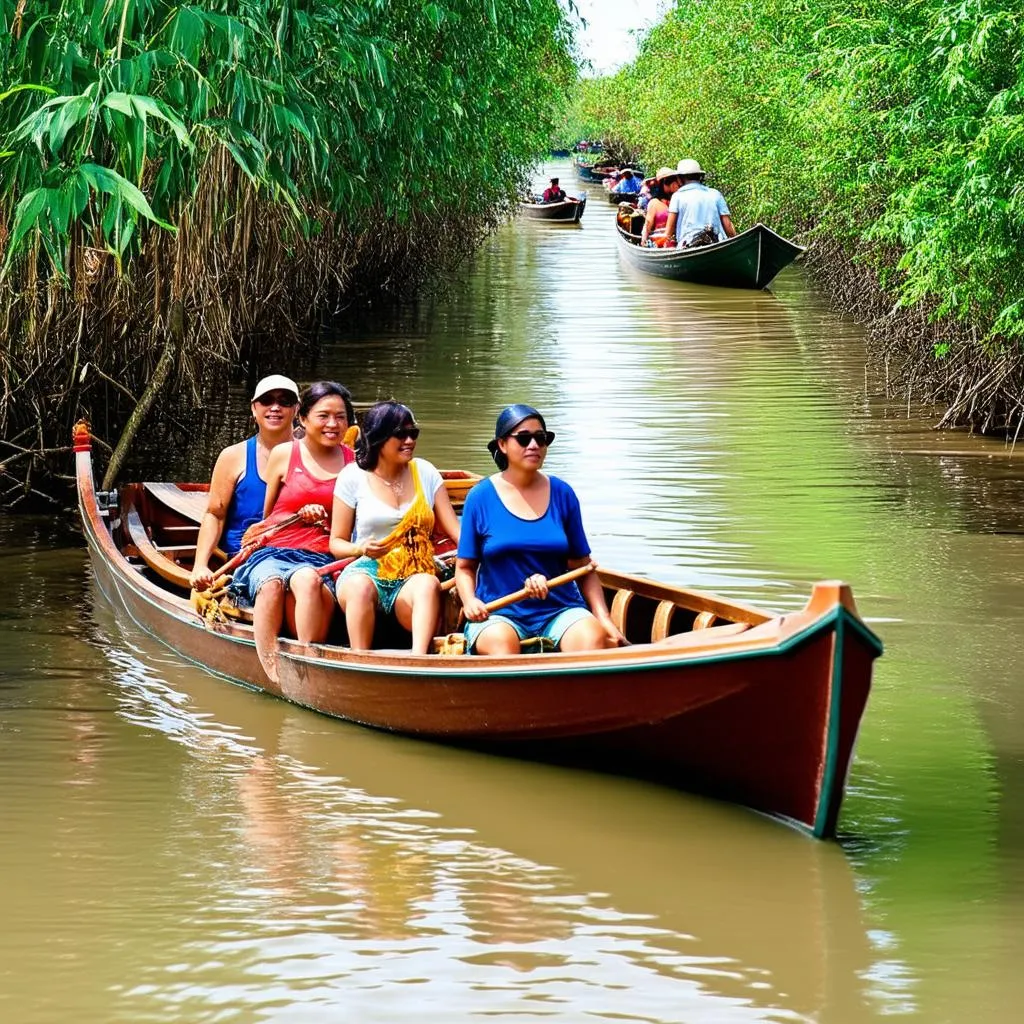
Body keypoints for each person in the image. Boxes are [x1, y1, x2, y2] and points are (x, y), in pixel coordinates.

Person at [455, 405, 626, 656]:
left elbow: (583, 567)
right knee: (501, 645)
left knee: (591, 638)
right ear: (502, 444)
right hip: (500, 613)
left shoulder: (563, 493)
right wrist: (470, 602)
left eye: (541, 438)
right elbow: (464, 568)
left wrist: (604, 619)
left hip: (560, 610)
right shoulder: (479, 497)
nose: (534, 445)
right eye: (524, 438)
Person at [229, 381, 357, 682]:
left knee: (305, 580)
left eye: (340, 417)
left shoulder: (355, 464)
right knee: (272, 584)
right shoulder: (285, 454)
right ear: (303, 419)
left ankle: (306, 663)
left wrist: (323, 521)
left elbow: (354, 526)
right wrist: (298, 513)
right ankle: (271, 668)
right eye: (323, 416)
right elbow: (270, 517)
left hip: (325, 556)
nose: (332, 424)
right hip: (275, 551)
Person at [331, 401, 461, 655]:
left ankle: (419, 661)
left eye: (414, 434)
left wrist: (483, 554)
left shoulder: (425, 471)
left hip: (415, 571)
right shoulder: (352, 476)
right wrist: (361, 548)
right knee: (359, 587)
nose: (410, 440)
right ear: (378, 437)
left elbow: (457, 532)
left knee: (426, 583)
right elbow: (336, 543)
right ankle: (360, 661)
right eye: (401, 434)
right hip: (367, 570)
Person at [189, 374, 299, 591]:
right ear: (254, 408)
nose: (275, 407)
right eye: (267, 401)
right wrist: (200, 565)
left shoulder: (311, 457)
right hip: (242, 558)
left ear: (296, 409)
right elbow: (214, 514)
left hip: (297, 554)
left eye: (284, 401)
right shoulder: (233, 456)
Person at [663, 158, 736, 248]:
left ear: (680, 178)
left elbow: (668, 232)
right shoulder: (715, 193)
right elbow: (728, 225)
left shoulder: (677, 196)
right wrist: (736, 244)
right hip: (718, 243)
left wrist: (665, 246)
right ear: (700, 176)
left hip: (688, 246)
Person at [640, 167, 682, 246]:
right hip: (658, 242)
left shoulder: (680, 201)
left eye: (675, 180)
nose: (675, 184)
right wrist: (644, 241)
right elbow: (647, 226)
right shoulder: (654, 203)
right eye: (669, 181)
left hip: (677, 242)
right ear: (662, 184)